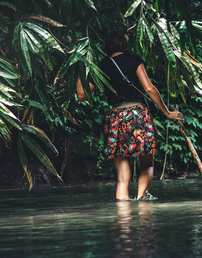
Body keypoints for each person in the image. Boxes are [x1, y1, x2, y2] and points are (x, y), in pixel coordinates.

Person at [76, 31, 183, 200]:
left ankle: (124, 219)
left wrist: (81, 67)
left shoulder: (102, 66)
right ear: (124, 45)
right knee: (147, 164)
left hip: (116, 118)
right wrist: (167, 113)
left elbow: (81, 95)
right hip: (138, 116)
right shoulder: (134, 60)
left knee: (122, 179)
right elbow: (149, 88)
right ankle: (141, 200)